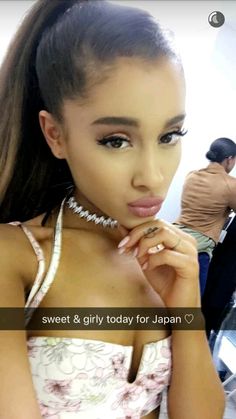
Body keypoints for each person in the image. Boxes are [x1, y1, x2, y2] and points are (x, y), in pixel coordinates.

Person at [0, 1, 225, 418]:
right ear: (55, 135)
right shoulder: (15, 257)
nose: (153, 176)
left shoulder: (169, 260)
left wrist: (186, 309)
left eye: (170, 134)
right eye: (116, 140)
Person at [175, 138, 236, 296]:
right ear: (229, 159)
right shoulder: (230, 185)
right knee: (190, 306)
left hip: (175, 239)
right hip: (198, 250)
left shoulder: (191, 176)